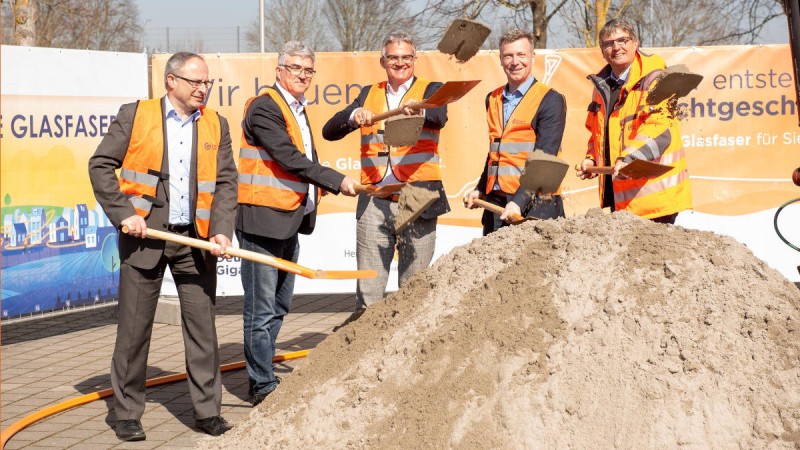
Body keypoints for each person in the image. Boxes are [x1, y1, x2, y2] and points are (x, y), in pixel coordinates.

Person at [88, 52, 237, 441]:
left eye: (207, 83)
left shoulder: (216, 125)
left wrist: (221, 230)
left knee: (203, 331)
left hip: (195, 241)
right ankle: (126, 413)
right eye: (195, 82)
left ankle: (207, 412)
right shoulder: (136, 115)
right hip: (145, 238)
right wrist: (124, 213)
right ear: (171, 81)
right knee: (134, 332)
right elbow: (100, 165)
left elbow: (225, 184)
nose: (203, 89)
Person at [236, 41, 358, 407]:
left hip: (288, 218)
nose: (302, 75)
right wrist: (335, 180)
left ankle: (264, 371)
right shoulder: (264, 108)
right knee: (260, 309)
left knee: (279, 305)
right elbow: (289, 158)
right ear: (279, 71)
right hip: (262, 221)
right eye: (295, 68)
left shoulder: (298, 109)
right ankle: (261, 384)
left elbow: (302, 158)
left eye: (308, 70)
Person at [322, 31, 449, 316]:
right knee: (368, 294)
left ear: (415, 60)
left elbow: (439, 117)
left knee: (414, 290)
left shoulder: (431, 89)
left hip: (418, 199)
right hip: (374, 199)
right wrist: (353, 117)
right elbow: (329, 131)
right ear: (383, 61)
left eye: (406, 57)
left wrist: (416, 110)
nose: (400, 63)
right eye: (393, 57)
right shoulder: (369, 94)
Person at [575, 17, 692, 224]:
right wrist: (592, 159)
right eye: (609, 43)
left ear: (635, 43)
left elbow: (660, 129)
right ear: (602, 50)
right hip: (620, 199)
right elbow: (597, 134)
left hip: (655, 200)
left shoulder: (656, 80)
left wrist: (628, 158)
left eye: (623, 40)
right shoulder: (601, 88)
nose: (616, 47)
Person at [464, 29, 567, 236]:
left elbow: (544, 159)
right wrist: (481, 188)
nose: (515, 61)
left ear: (532, 57)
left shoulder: (550, 100)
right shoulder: (492, 99)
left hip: (536, 208)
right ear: (501, 60)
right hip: (497, 206)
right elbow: (496, 152)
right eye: (508, 56)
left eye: (521, 55)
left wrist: (519, 202)